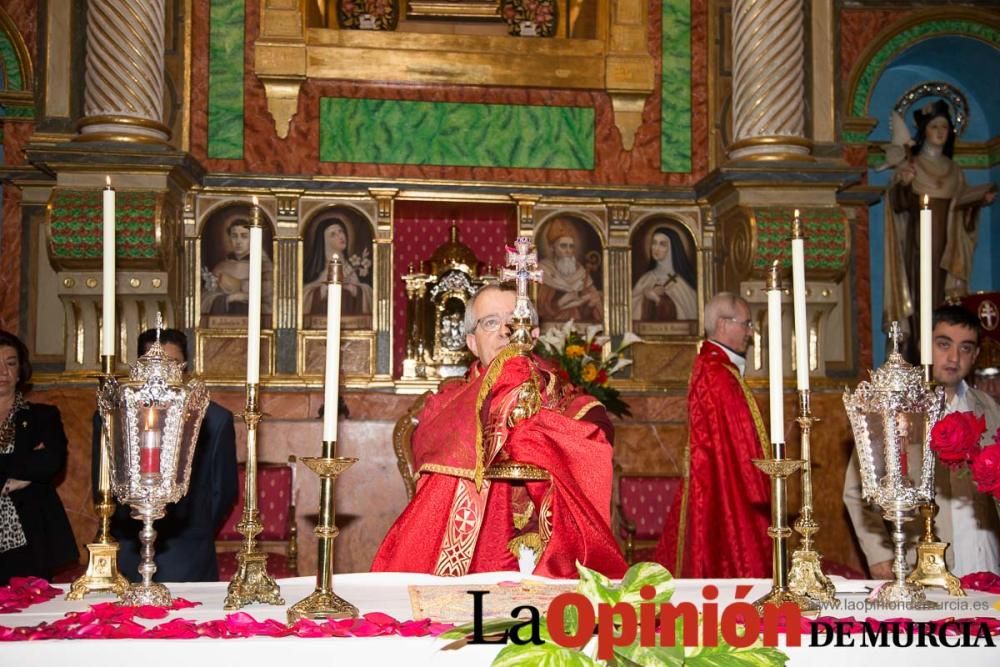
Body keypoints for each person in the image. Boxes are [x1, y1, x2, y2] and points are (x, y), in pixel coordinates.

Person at [372, 284, 627, 578]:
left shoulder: (571, 402)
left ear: (533, 335)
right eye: (491, 322)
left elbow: (593, 440)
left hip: (553, 559)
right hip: (469, 566)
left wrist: (528, 433)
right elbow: (429, 448)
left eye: (516, 321)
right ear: (471, 342)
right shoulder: (445, 407)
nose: (507, 331)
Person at [844, 305, 1000, 578]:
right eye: (943, 344)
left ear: (975, 355)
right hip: (923, 562)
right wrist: (880, 556)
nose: (954, 357)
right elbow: (857, 490)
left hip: (985, 556)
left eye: (965, 348)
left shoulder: (989, 409)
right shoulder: (894, 408)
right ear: (923, 346)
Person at [92, 328, 238, 582]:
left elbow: (223, 490)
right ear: (139, 367)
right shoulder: (113, 413)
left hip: (187, 549)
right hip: (127, 545)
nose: (162, 375)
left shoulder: (214, 418)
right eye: (153, 364)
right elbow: (102, 482)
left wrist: (192, 524)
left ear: (185, 367)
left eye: (171, 365)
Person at [653, 292, 772, 577]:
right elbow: (739, 448)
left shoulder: (717, 367)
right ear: (722, 324)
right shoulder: (716, 374)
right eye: (746, 324)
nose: (750, 332)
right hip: (727, 488)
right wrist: (760, 485)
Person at [883, 99, 996, 359]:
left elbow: (962, 207)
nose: (940, 131)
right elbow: (897, 205)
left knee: (946, 301)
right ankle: (918, 353)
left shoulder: (955, 170)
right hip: (919, 247)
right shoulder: (912, 165)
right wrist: (904, 185)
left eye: (944, 126)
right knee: (921, 298)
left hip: (949, 248)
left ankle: (945, 351)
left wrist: (977, 201)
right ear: (924, 130)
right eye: (934, 126)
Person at [0, 330, 79, 585]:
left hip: (30, 537)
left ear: (20, 370)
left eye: (10, 364)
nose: (3, 372)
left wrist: (27, 468)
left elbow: (51, 462)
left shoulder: (42, 416)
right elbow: (35, 464)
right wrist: (20, 473)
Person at [201, 218, 275, 317]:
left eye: (244, 236)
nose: (238, 241)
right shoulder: (220, 267)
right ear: (229, 238)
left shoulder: (264, 266)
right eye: (234, 236)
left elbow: (272, 297)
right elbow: (204, 300)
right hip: (223, 323)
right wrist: (230, 298)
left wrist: (242, 288)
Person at [302, 216, 373, 317]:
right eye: (333, 234)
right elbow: (303, 296)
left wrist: (355, 290)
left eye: (341, 231)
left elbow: (369, 294)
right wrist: (322, 291)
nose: (340, 236)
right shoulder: (316, 270)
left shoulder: (352, 266)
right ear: (325, 241)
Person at [537, 218, 603, 323]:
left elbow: (592, 313)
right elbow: (538, 309)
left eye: (571, 246)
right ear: (552, 248)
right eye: (563, 246)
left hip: (579, 329)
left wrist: (590, 305)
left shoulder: (582, 273)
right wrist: (560, 303)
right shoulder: (543, 271)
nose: (568, 251)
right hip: (550, 329)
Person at [631, 226, 698, 322]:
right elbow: (630, 311)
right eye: (654, 243)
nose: (656, 248)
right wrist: (645, 296)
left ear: (672, 249)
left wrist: (658, 299)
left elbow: (688, 313)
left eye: (662, 244)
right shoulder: (645, 279)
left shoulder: (682, 284)